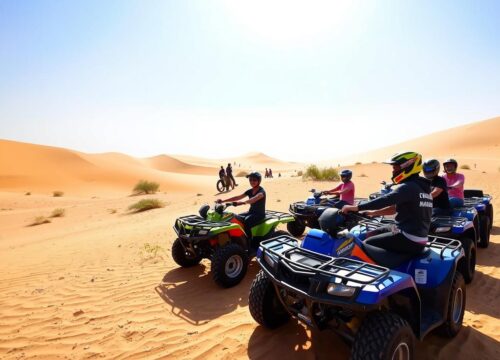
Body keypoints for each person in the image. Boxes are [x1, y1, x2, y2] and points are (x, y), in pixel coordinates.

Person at [341, 151, 432, 256]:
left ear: (407, 166)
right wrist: (372, 213)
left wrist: (356, 207)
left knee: (366, 245)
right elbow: (394, 208)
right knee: (368, 234)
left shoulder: (408, 187)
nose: (393, 171)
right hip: (411, 233)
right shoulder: (422, 188)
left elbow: (385, 200)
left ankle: (381, 270)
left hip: (409, 238)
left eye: (395, 168)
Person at [216, 172, 266, 241]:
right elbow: (238, 197)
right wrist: (223, 201)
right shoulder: (250, 191)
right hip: (251, 212)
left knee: (247, 220)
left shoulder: (261, 192)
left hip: (259, 214)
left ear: (259, 181)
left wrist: (242, 203)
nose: (252, 182)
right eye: (250, 180)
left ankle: (249, 240)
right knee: (237, 217)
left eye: (254, 180)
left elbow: (253, 200)